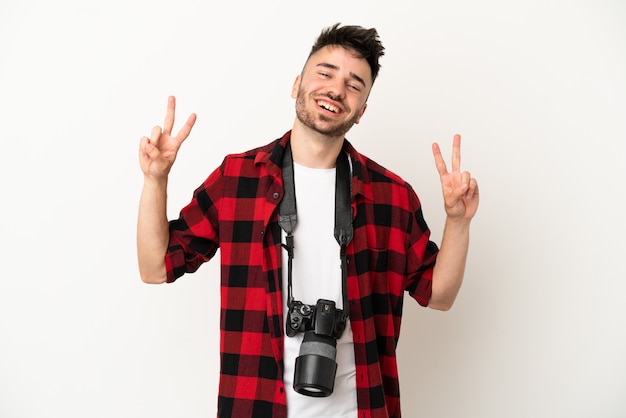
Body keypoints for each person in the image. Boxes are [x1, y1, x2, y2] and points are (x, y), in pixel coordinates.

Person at [137, 23, 478, 418]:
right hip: (255, 407)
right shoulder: (238, 179)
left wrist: (459, 221)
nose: (336, 89)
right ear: (297, 82)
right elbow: (155, 267)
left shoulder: (391, 195)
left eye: (354, 84)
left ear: (362, 110)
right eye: (326, 72)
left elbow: (439, 295)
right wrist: (155, 179)